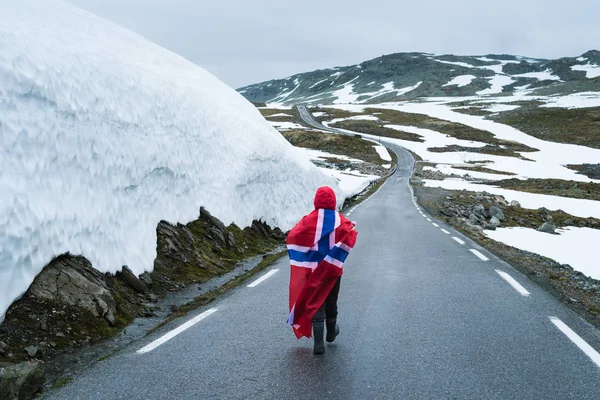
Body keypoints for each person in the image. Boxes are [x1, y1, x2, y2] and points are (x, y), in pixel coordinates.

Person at [285, 186, 358, 354]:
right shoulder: (340, 221)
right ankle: (331, 333)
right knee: (331, 302)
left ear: (316, 201)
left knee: (315, 303)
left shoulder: (307, 220)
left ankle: (319, 344)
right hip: (333, 272)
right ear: (333, 201)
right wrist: (352, 228)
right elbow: (350, 234)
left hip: (312, 273)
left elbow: (293, 236)